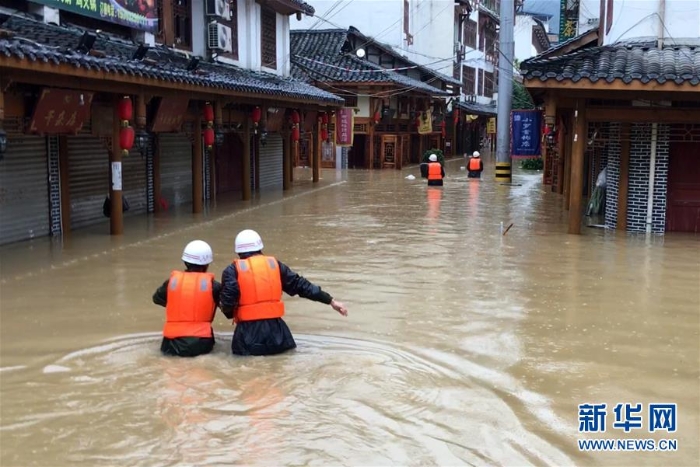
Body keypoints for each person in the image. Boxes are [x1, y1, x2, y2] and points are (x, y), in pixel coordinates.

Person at [220, 229, 348, 356]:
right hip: (278, 333)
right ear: (260, 247)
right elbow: (301, 285)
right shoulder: (274, 265)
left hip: (247, 334)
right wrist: (330, 301)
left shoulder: (231, 271)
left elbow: (228, 301)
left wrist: (228, 312)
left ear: (238, 252)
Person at [153, 240, 222, 357]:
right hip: (200, 342)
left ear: (185, 262)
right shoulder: (214, 286)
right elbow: (228, 308)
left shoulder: (171, 282)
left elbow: (156, 299)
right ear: (207, 264)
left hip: (170, 343)